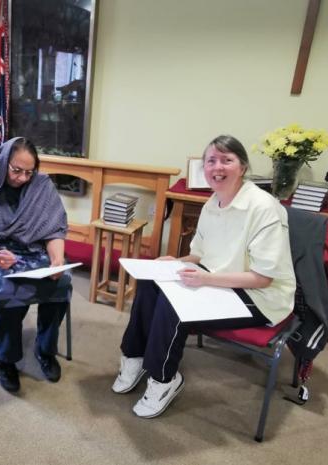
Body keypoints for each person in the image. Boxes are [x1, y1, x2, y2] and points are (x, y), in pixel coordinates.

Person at [112, 135, 296, 418]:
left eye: (227, 160)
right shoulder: (213, 203)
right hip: (218, 281)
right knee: (151, 283)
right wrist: (176, 262)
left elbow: (263, 279)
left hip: (261, 297)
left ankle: (164, 380)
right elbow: (199, 256)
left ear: (243, 167)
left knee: (175, 303)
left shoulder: (264, 208)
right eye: (211, 160)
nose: (217, 167)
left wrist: (205, 280)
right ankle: (134, 356)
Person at [0, 137, 71, 393]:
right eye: (16, 170)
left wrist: (57, 259)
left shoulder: (41, 186)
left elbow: (54, 230)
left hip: (30, 250)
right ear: (2, 163)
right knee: (9, 289)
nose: (23, 178)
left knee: (60, 282)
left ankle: (45, 350)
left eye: (29, 172)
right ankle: (6, 359)